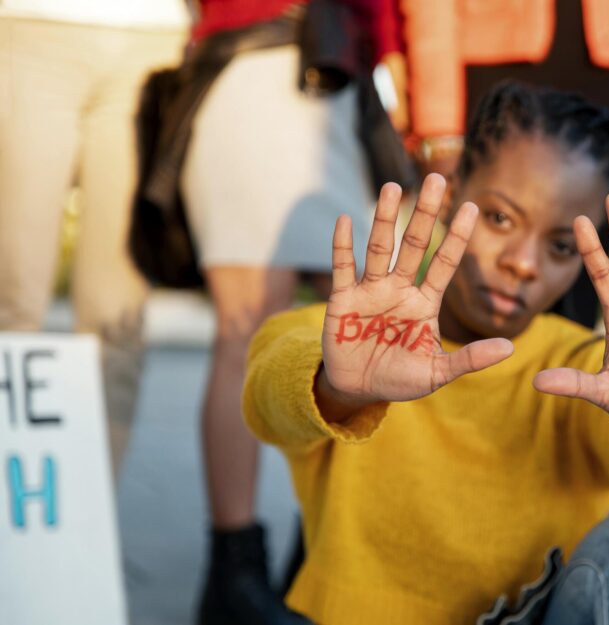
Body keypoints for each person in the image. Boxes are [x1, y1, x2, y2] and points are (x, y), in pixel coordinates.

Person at [243, 82, 609, 624]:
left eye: (561, 246)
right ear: (450, 193)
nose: (523, 262)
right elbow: (267, 399)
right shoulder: (346, 341)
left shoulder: (584, 368)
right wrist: (336, 386)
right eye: (499, 218)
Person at [181, 1, 403, 623]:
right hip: (255, 59)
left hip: (344, 78)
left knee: (367, 336)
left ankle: (328, 551)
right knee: (243, 327)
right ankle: (233, 573)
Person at [401, 0, 609, 326]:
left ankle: (563, 372)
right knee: (474, 272)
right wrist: (439, 129)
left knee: (583, 263)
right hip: (490, 57)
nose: (524, 265)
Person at [0, 1, 188, 472]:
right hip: (31, 29)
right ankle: (12, 518)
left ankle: (89, 528)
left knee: (117, 317)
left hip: (155, 39)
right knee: (12, 301)